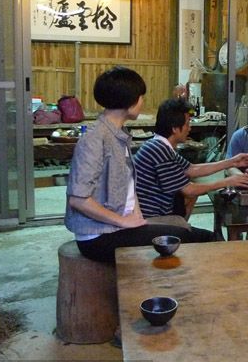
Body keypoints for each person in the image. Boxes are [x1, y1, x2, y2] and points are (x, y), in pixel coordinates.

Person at [64, 66, 208, 264]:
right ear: (129, 102)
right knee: (199, 239)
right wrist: (124, 221)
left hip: (118, 227)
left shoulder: (117, 134)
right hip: (99, 236)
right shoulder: (95, 139)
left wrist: (137, 217)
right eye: (141, 97)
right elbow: (78, 199)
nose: (142, 102)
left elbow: (129, 188)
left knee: (193, 235)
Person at [134, 98, 248, 219]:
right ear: (174, 128)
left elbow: (192, 169)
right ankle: (181, 228)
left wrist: (233, 162)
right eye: (187, 124)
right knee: (192, 197)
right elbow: (189, 190)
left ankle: (183, 227)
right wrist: (228, 182)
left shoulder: (159, 145)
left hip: (159, 213)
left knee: (191, 196)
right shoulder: (158, 150)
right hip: (152, 219)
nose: (189, 128)